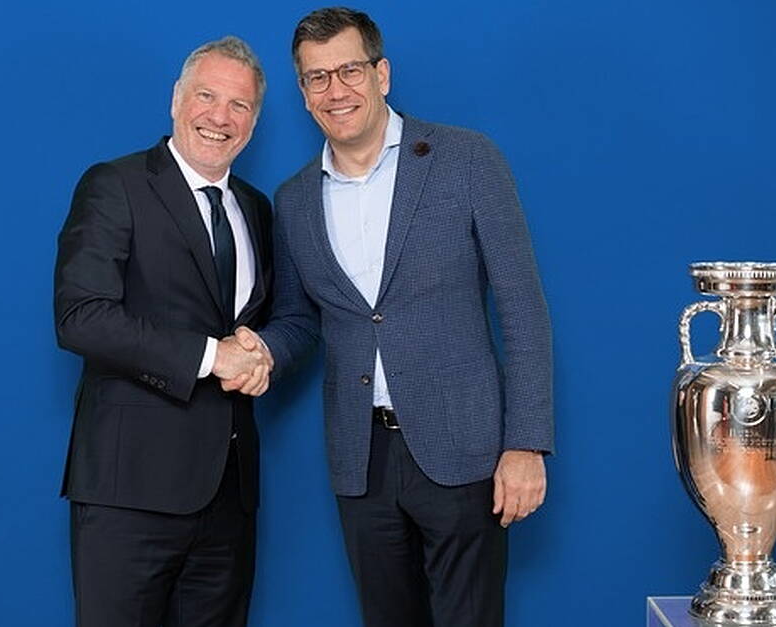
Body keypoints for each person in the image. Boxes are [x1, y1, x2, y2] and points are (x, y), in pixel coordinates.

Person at [229, 8, 554, 626]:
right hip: (362, 458)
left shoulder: (467, 160)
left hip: (467, 449)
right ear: (303, 92)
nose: (336, 90)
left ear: (381, 74)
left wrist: (526, 443)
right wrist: (262, 351)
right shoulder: (293, 200)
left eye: (349, 70)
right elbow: (299, 319)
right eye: (317, 77)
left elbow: (524, 311)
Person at [53, 35, 273, 627]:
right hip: (129, 493)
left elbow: (266, 325)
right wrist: (212, 357)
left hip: (228, 497)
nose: (220, 117)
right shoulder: (115, 184)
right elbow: (81, 317)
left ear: (254, 121)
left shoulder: (255, 208)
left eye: (239, 105)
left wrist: (263, 352)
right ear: (177, 100)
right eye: (207, 96)